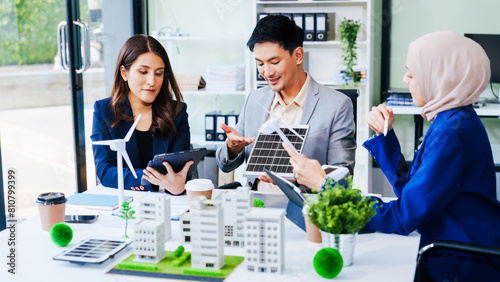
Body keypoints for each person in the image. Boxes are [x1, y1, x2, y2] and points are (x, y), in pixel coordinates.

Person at [283, 31, 500, 280]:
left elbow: (402, 216)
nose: (405, 79)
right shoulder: (451, 120)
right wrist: (384, 136)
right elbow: (412, 193)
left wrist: (324, 184)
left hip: (459, 261)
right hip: (451, 247)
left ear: (439, 77)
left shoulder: (451, 132)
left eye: (412, 72)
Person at [215, 15, 356, 190]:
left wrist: (296, 179)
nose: (266, 72)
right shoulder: (254, 99)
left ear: (298, 55)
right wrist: (232, 147)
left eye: (274, 62)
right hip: (255, 205)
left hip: (304, 209)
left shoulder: (337, 105)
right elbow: (225, 165)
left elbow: (344, 176)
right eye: (260, 64)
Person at [91, 34, 193, 195]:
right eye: (143, 72)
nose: (152, 81)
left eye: (159, 73)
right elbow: (105, 171)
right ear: (124, 73)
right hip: (125, 201)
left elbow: (181, 171)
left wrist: (178, 183)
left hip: (168, 201)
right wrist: (148, 179)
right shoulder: (104, 111)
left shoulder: (177, 111)